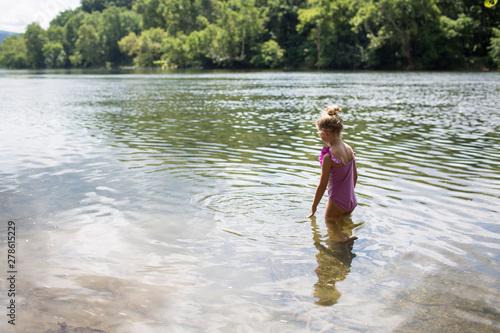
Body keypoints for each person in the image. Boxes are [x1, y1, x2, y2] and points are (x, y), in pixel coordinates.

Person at [308, 105, 358, 222]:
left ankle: (342, 240)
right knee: (344, 227)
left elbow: (322, 185)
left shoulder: (329, 157)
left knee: (332, 232)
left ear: (324, 133)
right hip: (351, 199)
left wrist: (314, 206)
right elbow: (355, 176)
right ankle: (348, 239)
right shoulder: (349, 149)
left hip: (336, 202)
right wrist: (348, 195)